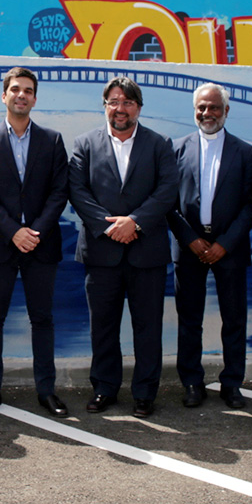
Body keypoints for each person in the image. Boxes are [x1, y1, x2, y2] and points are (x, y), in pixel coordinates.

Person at [69, 76, 178, 418]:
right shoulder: (85, 144)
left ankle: (145, 393)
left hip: (147, 254)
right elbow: (78, 193)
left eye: (128, 102)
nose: (120, 108)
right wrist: (111, 227)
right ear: (105, 106)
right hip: (102, 254)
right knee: (103, 327)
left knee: (148, 328)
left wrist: (135, 221)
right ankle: (104, 388)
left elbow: (167, 191)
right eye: (114, 101)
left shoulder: (160, 145)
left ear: (139, 108)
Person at [0, 68, 70, 418]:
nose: (21, 95)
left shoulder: (53, 140)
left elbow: (60, 193)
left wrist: (34, 232)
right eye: (15, 90)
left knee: (42, 318)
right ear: (4, 96)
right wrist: (14, 231)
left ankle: (46, 390)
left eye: (28, 91)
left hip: (41, 244)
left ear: (35, 99)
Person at [166, 83, 252, 410]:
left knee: (234, 319)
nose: (207, 113)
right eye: (202, 108)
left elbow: (251, 205)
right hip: (188, 247)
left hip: (229, 249)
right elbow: (168, 202)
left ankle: (232, 383)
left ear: (226, 111)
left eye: (214, 107)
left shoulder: (246, 152)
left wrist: (225, 243)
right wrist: (190, 239)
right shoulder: (175, 148)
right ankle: (192, 382)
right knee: (189, 319)